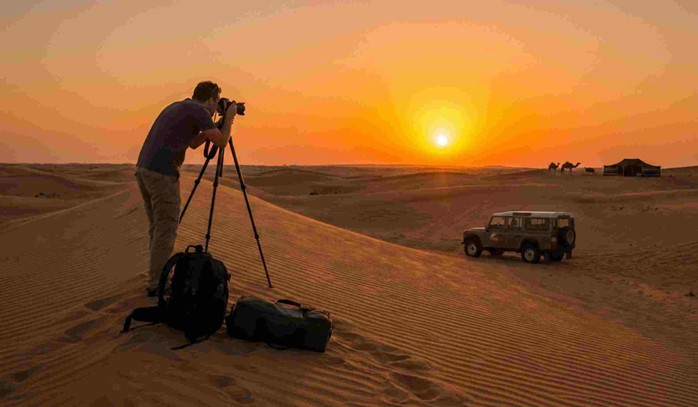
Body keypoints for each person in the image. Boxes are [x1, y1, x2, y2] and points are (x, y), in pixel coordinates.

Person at [135, 81, 237, 297]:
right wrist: (228, 118)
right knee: (166, 229)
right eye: (216, 103)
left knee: (157, 228)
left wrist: (216, 124)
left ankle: (157, 276)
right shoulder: (198, 110)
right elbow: (221, 143)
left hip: (145, 170)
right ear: (210, 100)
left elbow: (193, 143)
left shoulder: (182, 106)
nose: (216, 107)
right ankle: (157, 284)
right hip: (162, 173)